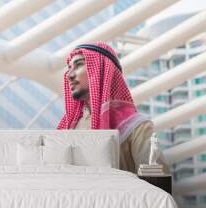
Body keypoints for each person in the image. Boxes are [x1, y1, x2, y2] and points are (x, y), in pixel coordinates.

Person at [57, 42, 169, 174]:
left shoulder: (136, 127)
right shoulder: (66, 128)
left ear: (101, 69)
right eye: (69, 67)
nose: (69, 75)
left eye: (79, 64)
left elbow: (158, 184)